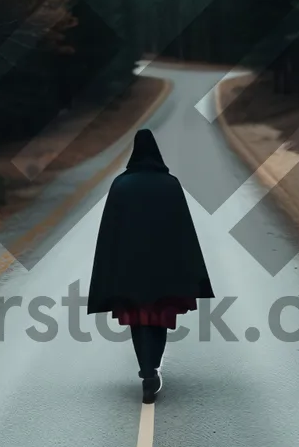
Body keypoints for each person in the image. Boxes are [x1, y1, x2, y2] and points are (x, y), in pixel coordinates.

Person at [87, 128, 214, 403]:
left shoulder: (120, 186)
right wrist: (187, 273)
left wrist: (109, 274)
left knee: (137, 322)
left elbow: (110, 235)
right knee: (158, 320)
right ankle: (151, 370)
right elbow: (183, 232)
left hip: (129, 273)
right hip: (164, 272)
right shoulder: (170, 184)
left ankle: (146, 371)